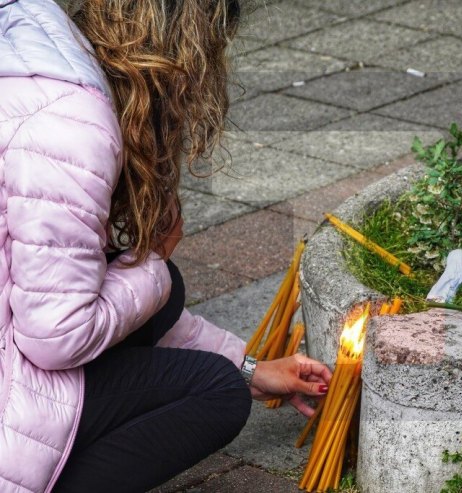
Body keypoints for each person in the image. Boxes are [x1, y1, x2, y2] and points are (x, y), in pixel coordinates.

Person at [0, 0, 332, 491]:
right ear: (184, 52)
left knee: (163, 291)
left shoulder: (37, 43)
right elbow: (55, 337)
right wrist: (151, 264)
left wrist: (251, 369)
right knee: (214, 393)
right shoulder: (72, 126)